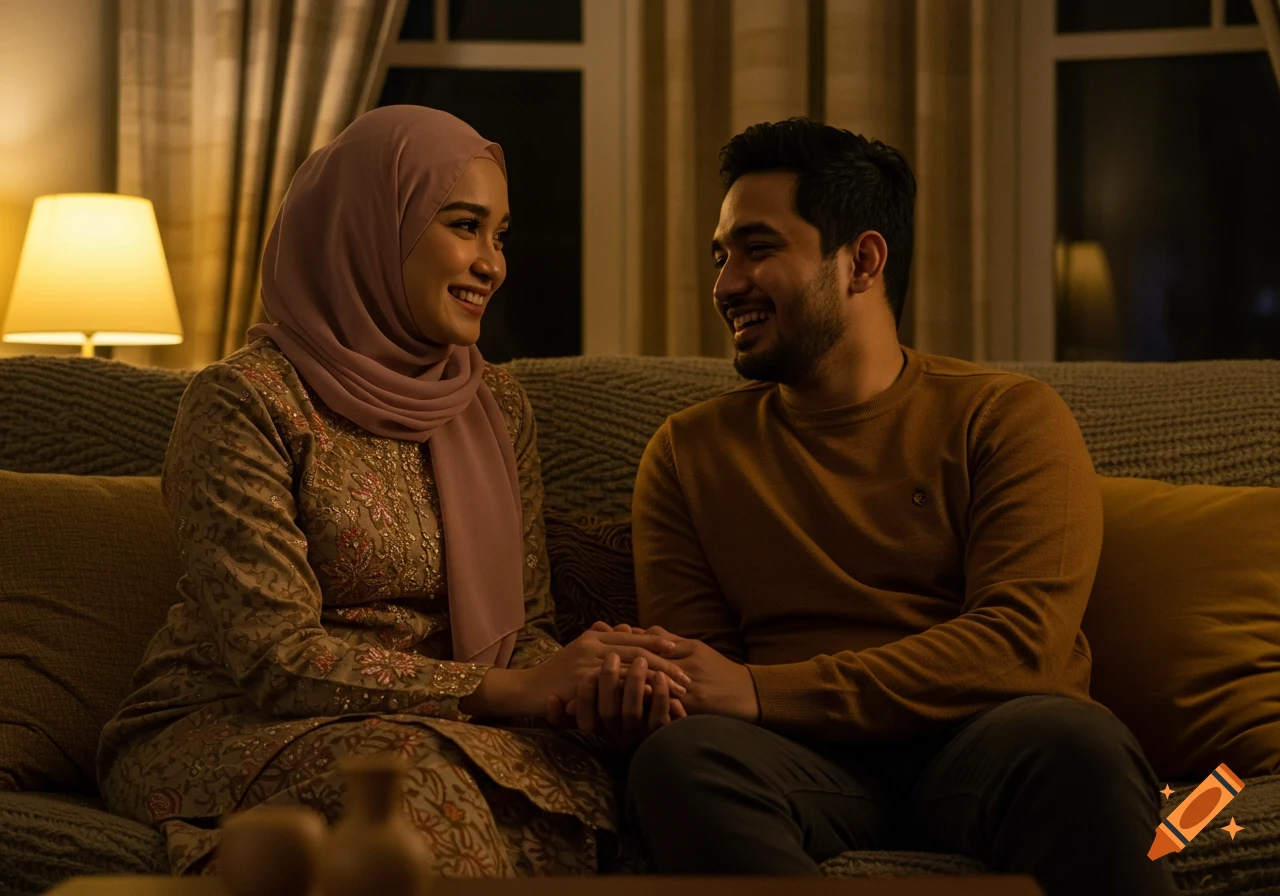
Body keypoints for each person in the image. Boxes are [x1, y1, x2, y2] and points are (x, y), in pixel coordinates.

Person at [96, 104, 687, 878]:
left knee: (620, 786)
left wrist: (591, 689)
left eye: (499, 235)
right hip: (234, 719)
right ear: (371, 228)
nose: (493, 264)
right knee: (412, 792)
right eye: (464, 226)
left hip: (454, 722)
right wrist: (520, 690)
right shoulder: (247, 401)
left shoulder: (496, 406)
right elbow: (277, 659)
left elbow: (526, 626)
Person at [619, 118, 1177, 896]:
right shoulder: (687, 453)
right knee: (677, 762)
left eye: (757, 248)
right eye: (720, 255)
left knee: (1080, 742)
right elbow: (697, 682)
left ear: (863, 261)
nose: (724, 284)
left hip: (986, 740)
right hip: (795, 757)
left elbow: (1022, 646)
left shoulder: (1007, 416)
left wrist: (759, 689)